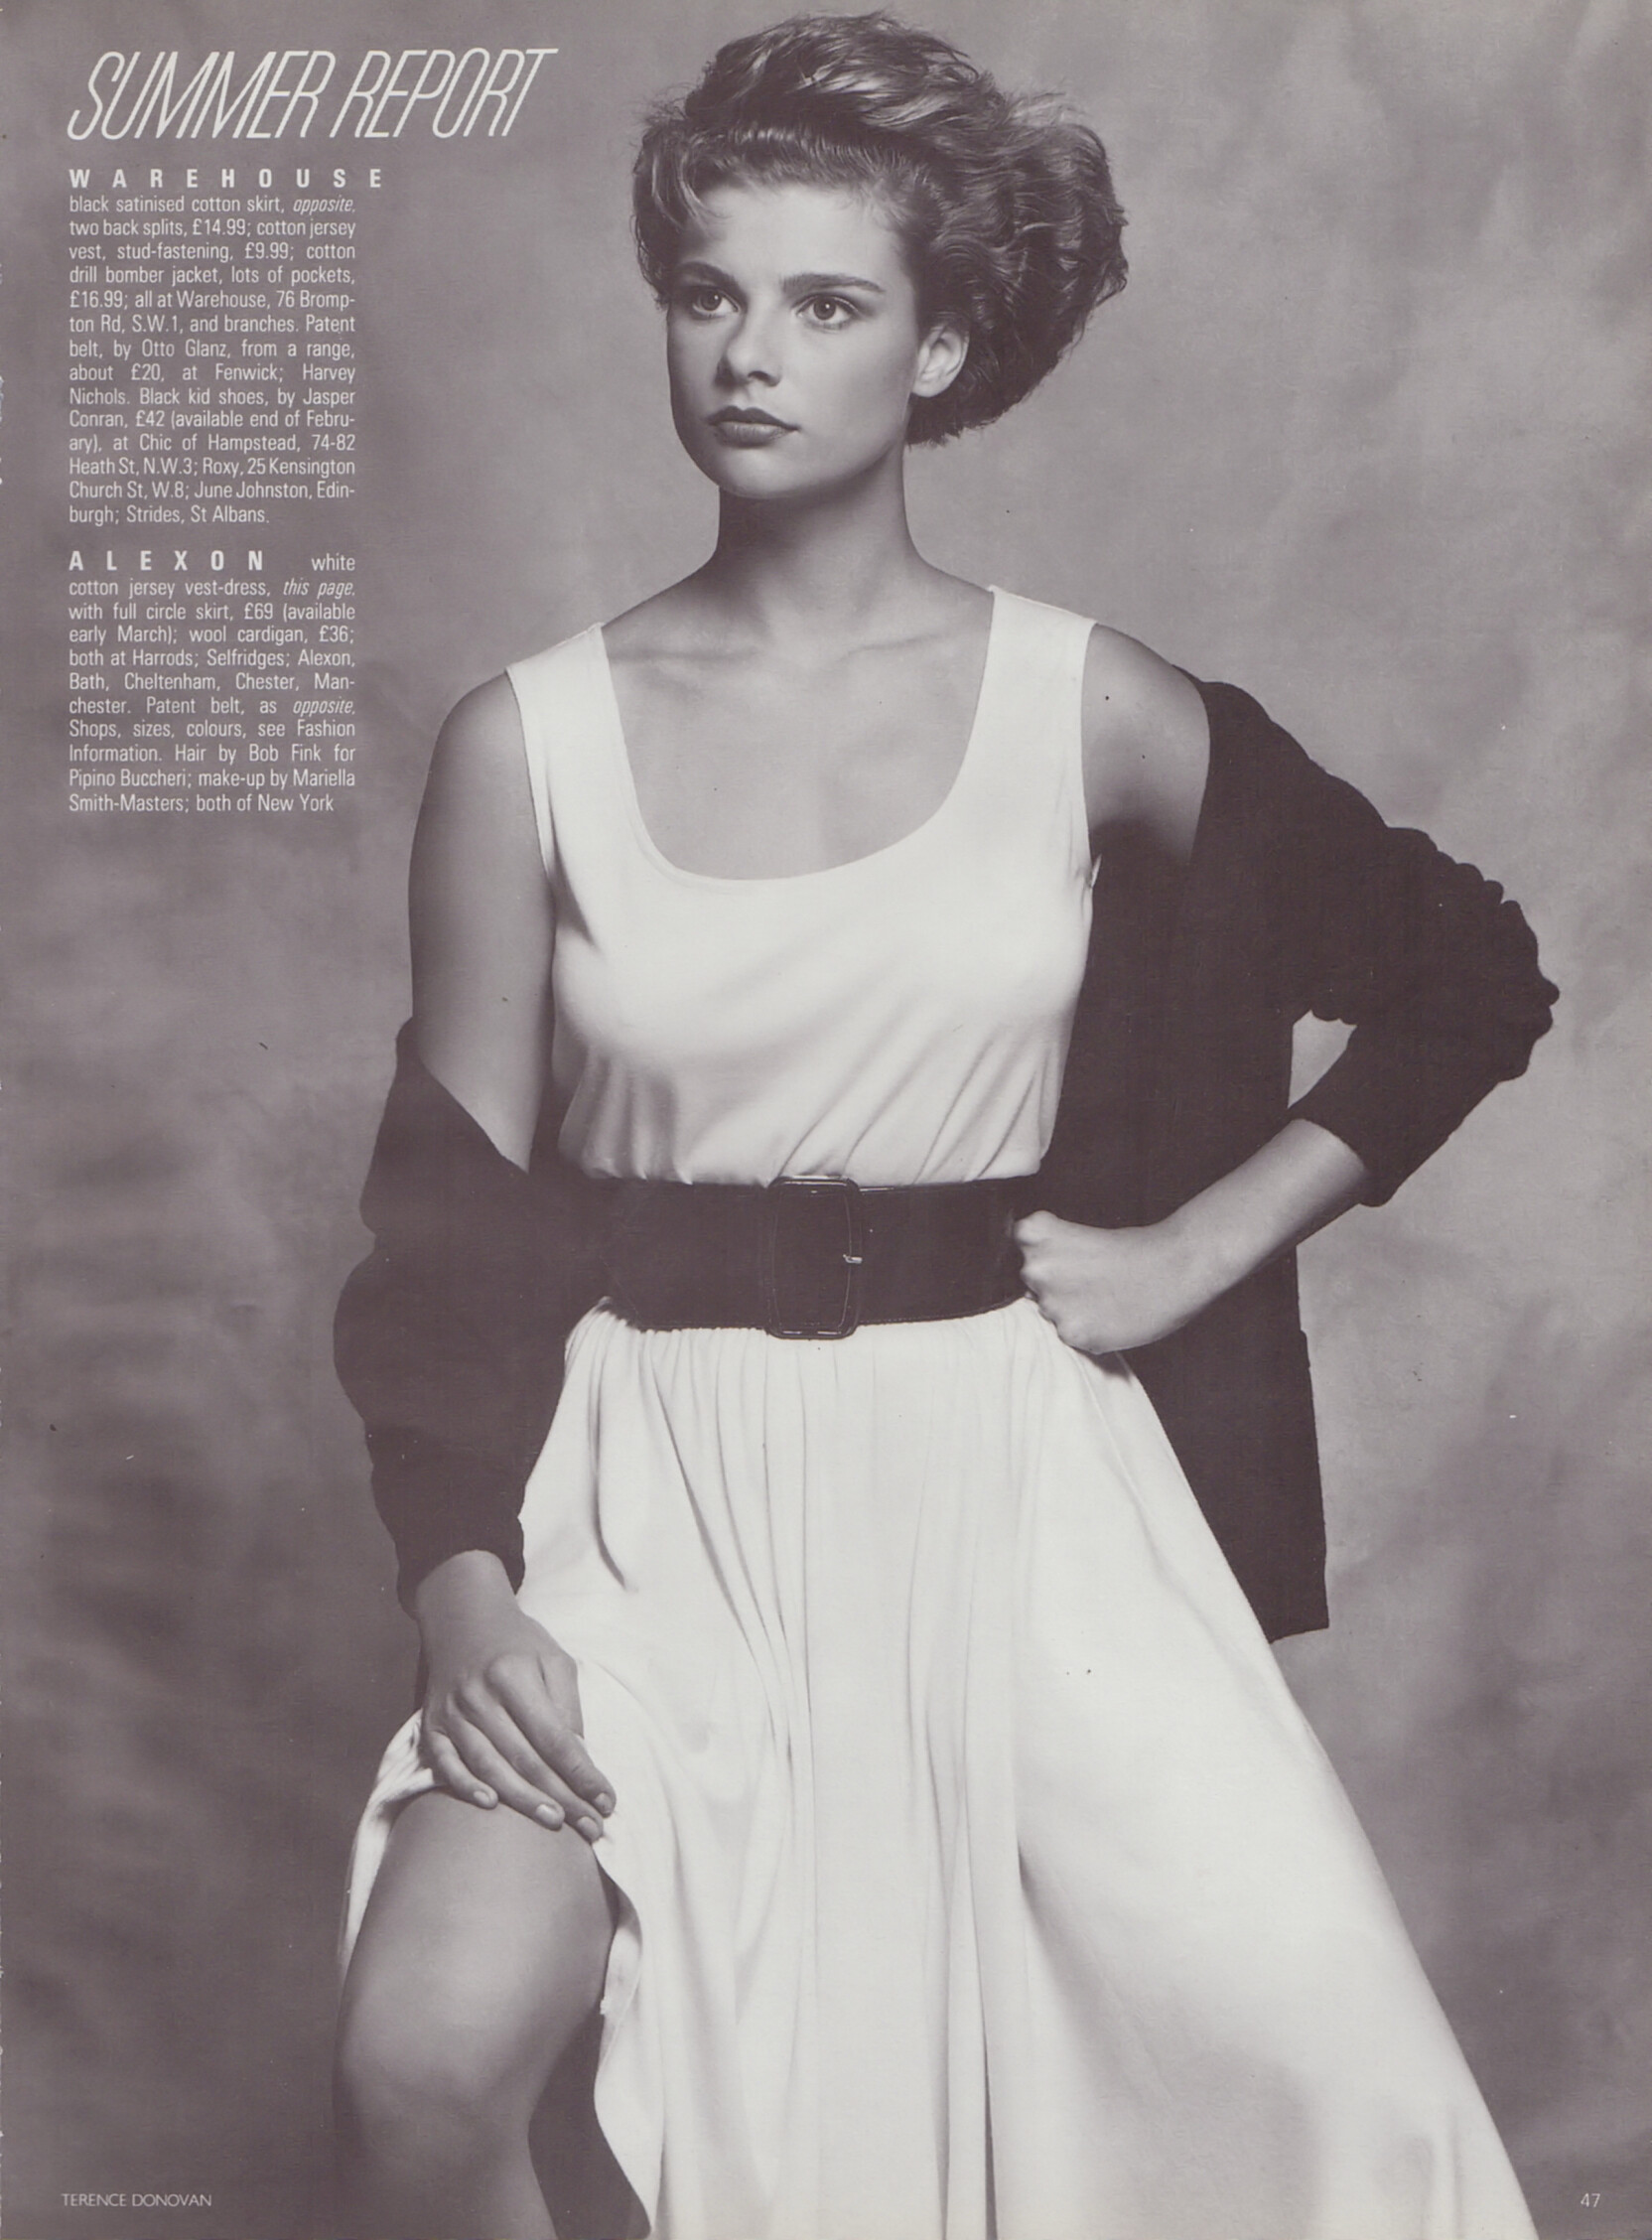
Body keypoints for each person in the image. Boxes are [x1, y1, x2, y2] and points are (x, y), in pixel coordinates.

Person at [330, 15, 1555, 2238]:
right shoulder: (526, 747)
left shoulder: (1089, 708)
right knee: (423, 2051)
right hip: (647, 1507)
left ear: (943, 346)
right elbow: (446, 1235)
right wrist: (461, 1591)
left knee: (1312, 2067)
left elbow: (1467, 972)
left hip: (1018, 1498)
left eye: (825, 303)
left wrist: (1200, 1247)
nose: (749, 354)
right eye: (707, 293)